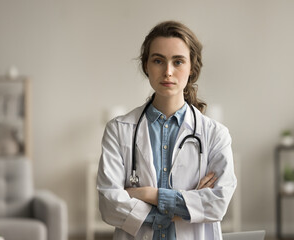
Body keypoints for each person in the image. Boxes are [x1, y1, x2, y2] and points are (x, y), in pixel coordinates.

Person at [97, 20, 237, 240]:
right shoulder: (118, 130)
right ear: (146, 65)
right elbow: (109, 204)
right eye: (158, 60)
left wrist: (146, 194)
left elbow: (217, 204)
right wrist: (188, 206)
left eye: (178, 61)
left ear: (192, 68)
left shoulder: (215, 134)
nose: (168, 71)